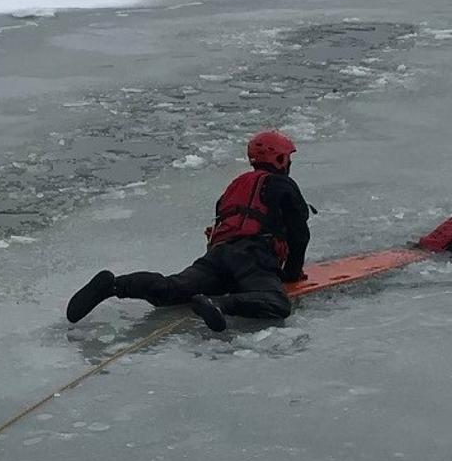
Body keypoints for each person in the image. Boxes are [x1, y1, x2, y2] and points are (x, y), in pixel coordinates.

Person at [66, 130, 311, 332]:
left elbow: (222, 224)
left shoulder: (234, 187)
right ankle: (217, 304)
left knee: (174, 288)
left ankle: (115, 285)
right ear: (279, 158)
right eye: (288, 157)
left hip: (217, 255)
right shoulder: (283, 185)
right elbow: (299, 234)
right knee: (278, 304)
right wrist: (291, 273)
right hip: (253, 258)